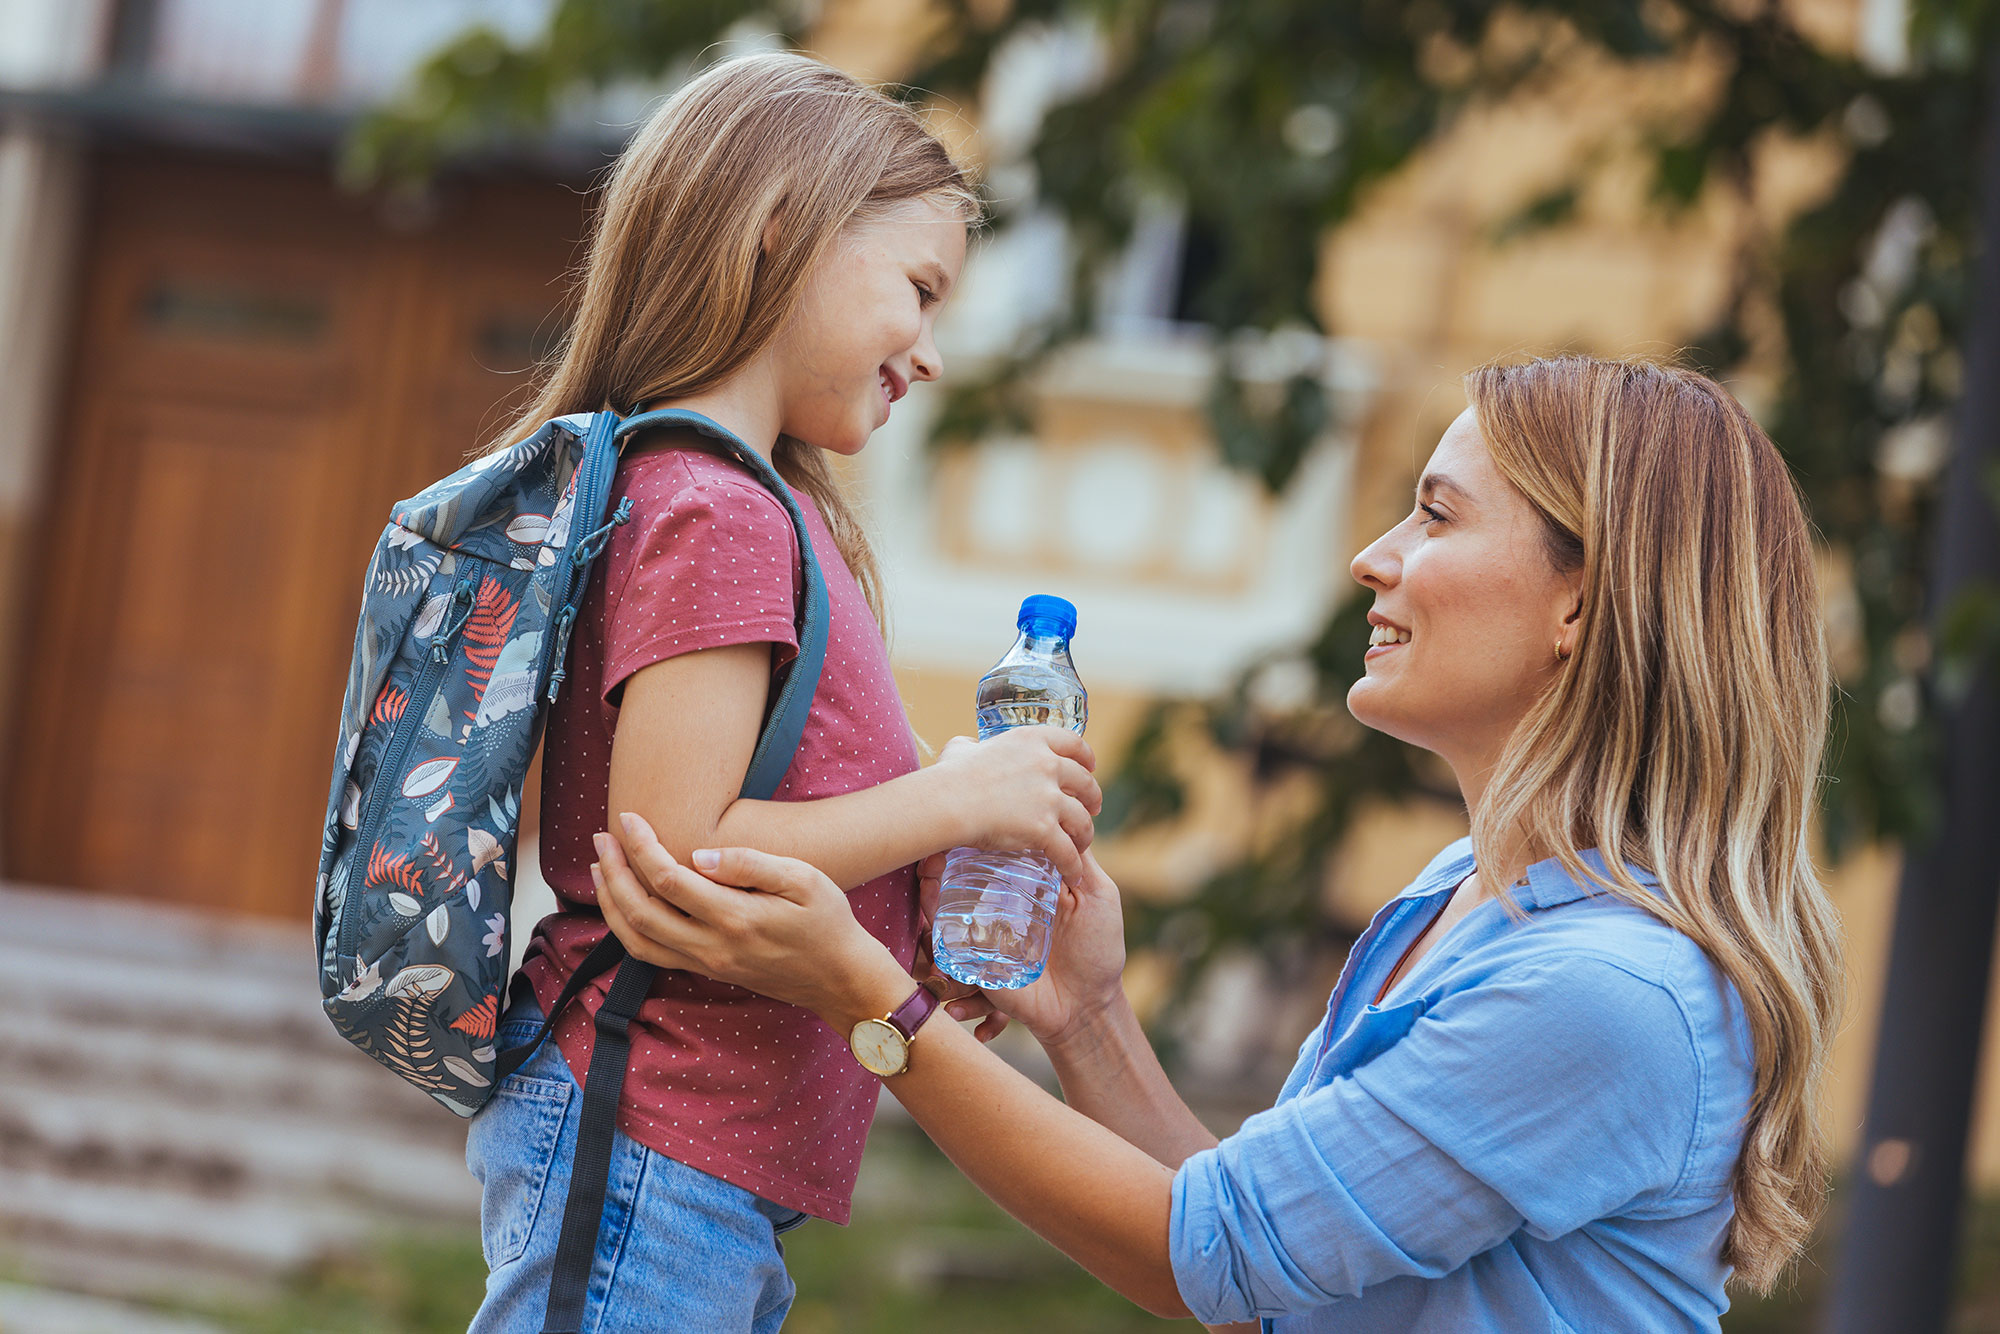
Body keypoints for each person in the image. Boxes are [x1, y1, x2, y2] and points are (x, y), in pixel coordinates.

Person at [589, 355, 1847, 1331]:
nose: (1374, 558)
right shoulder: (1461, 893)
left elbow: (1211, 1253)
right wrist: (1085, 1016)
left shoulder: (1604, 990)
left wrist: (865, 994)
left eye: (1434, 517)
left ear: (1581, 600)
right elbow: (1271, 1266)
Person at [463, 52, 1102, 1334]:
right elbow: (686, 845)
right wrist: (950, 794)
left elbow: (773, 833)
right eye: (917, 292)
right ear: (776, 232)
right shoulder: (715, 508)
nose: (927, 353)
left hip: (702, 1161)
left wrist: (927, 913)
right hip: (650, 1134)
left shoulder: (764, 508)